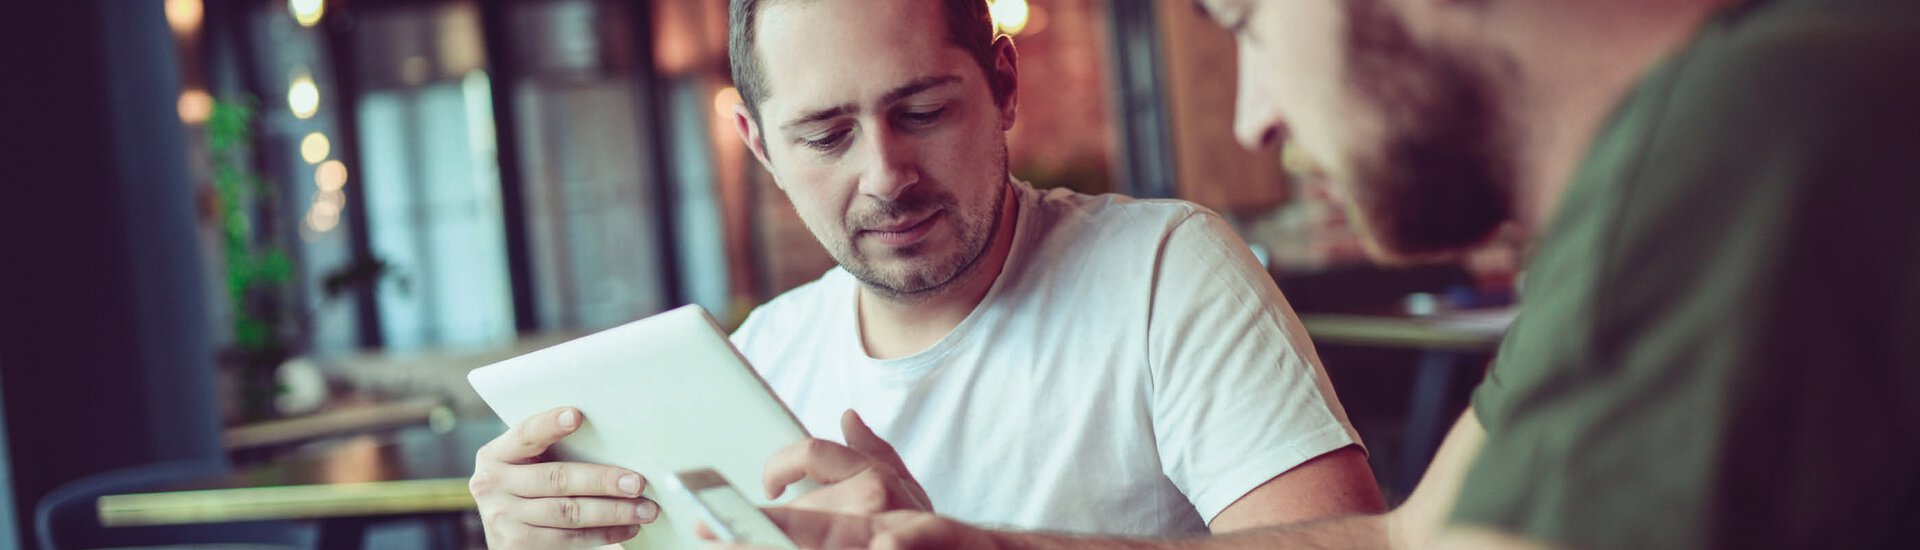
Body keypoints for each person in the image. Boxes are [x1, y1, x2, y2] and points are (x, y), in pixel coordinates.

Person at [741, 0, 1920, 548]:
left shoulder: (1755, 128)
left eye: (1243, 22)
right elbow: (1402, 549)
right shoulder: (1672, 181)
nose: (1252, 116)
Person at [467, 0, 1388, 547]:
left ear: (1003, 87)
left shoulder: (1163, 273)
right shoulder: (753, 363)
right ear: (759, 148)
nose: (884, 176)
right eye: (826, 136)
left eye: (923, 110)